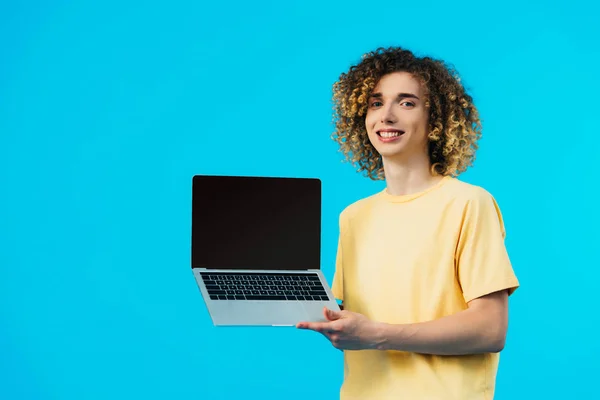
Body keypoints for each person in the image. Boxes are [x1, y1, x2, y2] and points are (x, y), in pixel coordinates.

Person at [296, 46, 520, 399]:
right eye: (375, 102)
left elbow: (490, 330)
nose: (386, 115)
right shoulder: (353, 217)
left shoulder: (468, 203)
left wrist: (376, 334)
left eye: (406, 102)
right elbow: (362, 317)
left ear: (435, 121)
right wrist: (314, 310)